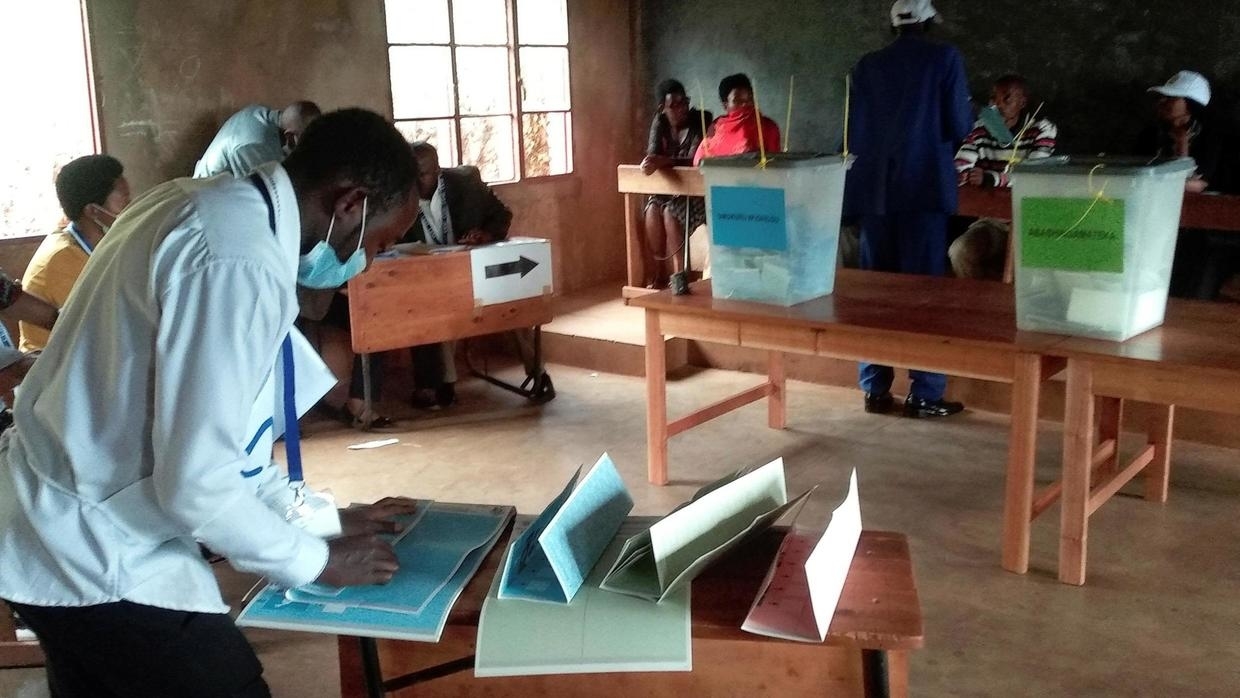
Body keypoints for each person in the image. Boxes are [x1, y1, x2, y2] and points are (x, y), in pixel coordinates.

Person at [0, 108, 422, 696]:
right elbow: (198, 483)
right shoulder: (236, 261)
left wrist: (320, 518)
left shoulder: (197, 202)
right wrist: (317, 561)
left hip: (52, 515)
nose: (369, 261)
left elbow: (229, 445)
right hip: (93, 542)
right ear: (348, 202)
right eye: (380, 240)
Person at [843, 0, 972, 418]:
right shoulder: (945, 58)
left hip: (874, 194)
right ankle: (925, 392)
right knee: (924, 296)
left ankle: (874, 389)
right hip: (923, 190)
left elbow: (852, 131)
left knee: (875, 292)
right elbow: (958, 123)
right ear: (928, 21)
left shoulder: (866, 65)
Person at [401, 141, 515, 410]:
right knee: (425, 308)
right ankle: (440, 384)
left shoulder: (465, 184)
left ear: (438, 170)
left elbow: (502, 215)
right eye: (411, 174)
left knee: (520, 303)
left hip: (471, 269)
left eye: (424, 173)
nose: (417, 181)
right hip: (425, 277)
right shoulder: (398, 195)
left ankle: (536, 370)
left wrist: (485, 234)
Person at [1136, 70, 1239, 299]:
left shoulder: (1216, 137)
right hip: (1156, 216)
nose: (1163, 103)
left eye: (1172, 98)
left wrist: (1182, 145)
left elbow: (1201, 183)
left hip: (1203, 226)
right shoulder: (1151, 135)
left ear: (1191, 104)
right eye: (1162, 97)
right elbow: (1139, 173)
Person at [950, 75, 1058, 280]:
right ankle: (978, 306)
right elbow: (958, 169)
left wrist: (992, 179)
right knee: (960, 251)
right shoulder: (981, 128)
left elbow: (1032, 177)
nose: (997, 105)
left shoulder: (1041, 129)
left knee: (1030, 273)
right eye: (993, 98)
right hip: (992, 222)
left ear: (1022, 102)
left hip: (1029, 223)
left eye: (1006, 99)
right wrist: (968, 176)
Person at [19, 154, 131, 351]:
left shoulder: (92, 245)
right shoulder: (62, 258)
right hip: (47, 364)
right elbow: (97, 330)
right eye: (124, 201)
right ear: (93, 211)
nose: (131, 208)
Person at [640, 79, 711, 288]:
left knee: (670, 212)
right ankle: (659, 273)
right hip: (670, 187)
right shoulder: (659, 122)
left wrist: (665, 161)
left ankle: (680, 275)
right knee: (652, 209)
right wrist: (652, 162)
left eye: (685, 102)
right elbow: (653, 155)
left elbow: (694, 159)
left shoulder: (701, 120)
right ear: (662, 108)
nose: (682, 108)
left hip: (695, 191)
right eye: (675, 104)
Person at [193, 101, 321, 178]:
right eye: (306, 143)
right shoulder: (255, 146)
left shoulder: (263, 115)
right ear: (291, 138)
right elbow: (269, 195)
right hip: (208, 201)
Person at [692, 73, 782, 165]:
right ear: (725, 105)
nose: (745, 104)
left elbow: (775, 165)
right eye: (738, 101)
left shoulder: (768, 127)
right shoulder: (717, 128)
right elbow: (699, 162)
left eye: (749, 99)